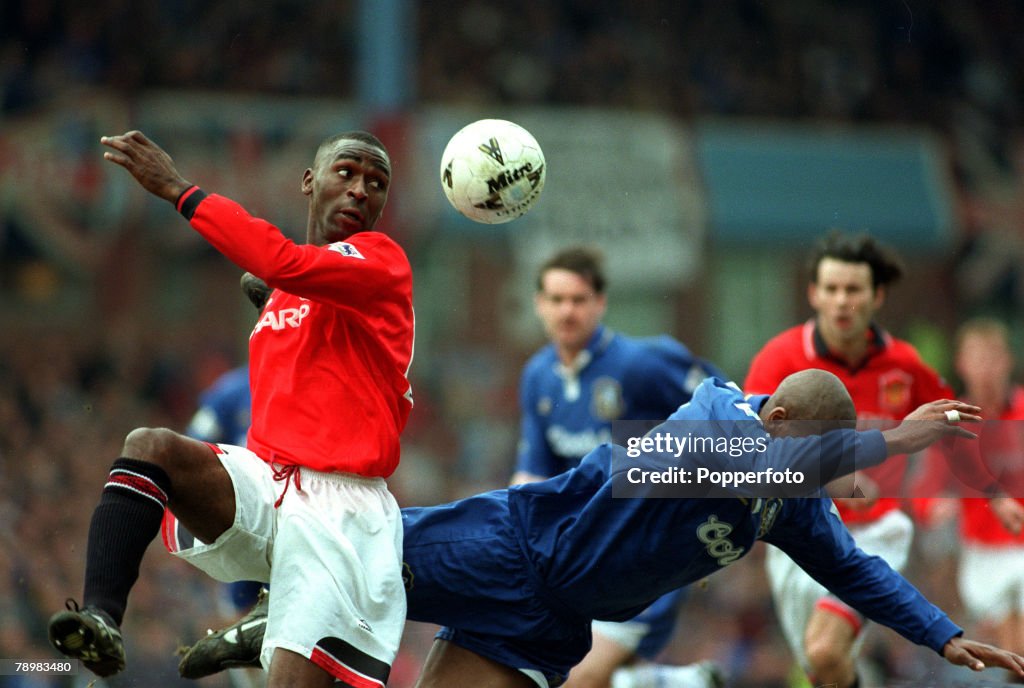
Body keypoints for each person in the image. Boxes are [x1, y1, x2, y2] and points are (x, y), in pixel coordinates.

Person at [175, 370, 1021, 688]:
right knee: (335, 556)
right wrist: (899, 437)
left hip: (549, 621)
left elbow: (857, 571)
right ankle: (254, 618)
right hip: (506, 548)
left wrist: (944, 637)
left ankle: (265, 624)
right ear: (781, 414)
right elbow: (684, 472)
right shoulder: (711, 425)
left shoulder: (791, 496)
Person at [47, 129, 415, 688]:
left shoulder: (379, 259)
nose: (361, 189)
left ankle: (274, 615)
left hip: (342, 513)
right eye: (347, 172)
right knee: (151, 447)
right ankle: (101, 618)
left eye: (377, 182)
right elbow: (302, 304)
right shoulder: (293, 289)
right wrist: (273, 298)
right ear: (309, 182)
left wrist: (177, 189)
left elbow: (282, 260)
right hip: (269, 484)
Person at [742, 230, 955, 688]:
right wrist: (837, 479)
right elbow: (751, 446)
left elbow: (952, 429)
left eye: (853, 289)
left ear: (876, 296)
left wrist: (936, 491)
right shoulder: (780, 359)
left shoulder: (906, 364)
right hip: (797, 532)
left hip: (876, 531)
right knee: (823, 669)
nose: (842, 301)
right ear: (813, 294)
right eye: (832, 289)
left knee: (824, 650)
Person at [514, 246, 726, 688]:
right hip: (587, 555)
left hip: (651, 548)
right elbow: (533, 477)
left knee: (579, 678)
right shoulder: (539, 376)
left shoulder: (640, 365)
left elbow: (727, 404)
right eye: (555, 299)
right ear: (538, 304)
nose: (566, 311)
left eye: (577, 299)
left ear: (600, 303)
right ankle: (675, 684)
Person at [913, 317, 1024, 684]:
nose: (986, 368)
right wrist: (935, 506)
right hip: (982, 554)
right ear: (962, 364)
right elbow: (923, 492)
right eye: (977, 358)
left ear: (1008, 360)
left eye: (992, 357)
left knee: (1016, 645)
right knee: (1010, 651)